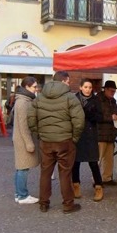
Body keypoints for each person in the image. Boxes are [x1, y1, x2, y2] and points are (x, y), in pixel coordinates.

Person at [28, 71, 85, 214]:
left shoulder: (39, 98)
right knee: (65, 173)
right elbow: (79, 121)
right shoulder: (70, 98)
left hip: (46, 141)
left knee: (45, 172)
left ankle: (43, 203)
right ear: (64, 81)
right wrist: (74, 138)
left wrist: (39, 134)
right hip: (65, 141)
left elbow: (31, 119)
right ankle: (68, 204)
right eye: (68, 81)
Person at [73, 78, 104, 202]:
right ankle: (75, 185)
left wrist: (90, 114)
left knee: (93, 162)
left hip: (90, 134)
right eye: (85, 87)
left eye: (90, 87)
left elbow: (100, 117)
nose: (88, 90)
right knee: (75, 162)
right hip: (77, 133)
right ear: (80, 87)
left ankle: (98, 187)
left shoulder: (96, 100)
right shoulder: (74, 99)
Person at [13, 76, 40, 204]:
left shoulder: (23, 100)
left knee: (21, 167)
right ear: (27, 87)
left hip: (20, 139)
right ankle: (22, 195)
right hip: (23, 140)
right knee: (23, 167)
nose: (36, 89)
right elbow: (23, 125)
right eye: (34, 87)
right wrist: (29, 143)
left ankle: (19, 194)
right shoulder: (23, 102)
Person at [96, 80, 117, 185]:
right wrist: (110, 118)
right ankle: (96, 180)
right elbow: (96, 116)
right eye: (111, 91)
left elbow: (116, 113)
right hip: (100, 134)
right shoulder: (97, 100)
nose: (113, 93)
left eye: (114, 91)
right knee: (98, 159)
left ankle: (107, 178)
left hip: (111, 134)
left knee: (109, 159)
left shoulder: (113, 101)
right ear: (105, 89)